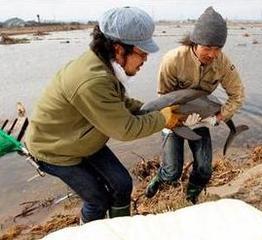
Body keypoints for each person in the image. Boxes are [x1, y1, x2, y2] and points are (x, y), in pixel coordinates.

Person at [25, 6, 184, 223]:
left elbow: (117, 103)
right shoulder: (93, 80)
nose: (145, 59)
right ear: (119, 49)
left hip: (82, 137)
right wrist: (163, 118)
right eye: (142, 53)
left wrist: (149, 109)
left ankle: (119, 230)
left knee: (122, 184)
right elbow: (125, 129)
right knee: (97, 200)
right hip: (55, 149)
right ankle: (90, 233)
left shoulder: (103, 64)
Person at [145, 6, 245, 204]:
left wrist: (217, 118)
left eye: (218, 48)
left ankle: (191, 195)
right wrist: (174, 122)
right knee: (173, 171)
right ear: (195, 42)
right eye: (207, 47)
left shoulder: (222, 62)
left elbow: (237, 95)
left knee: (205, 169)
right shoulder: (173, 60)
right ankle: (161, 177)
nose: (212, 54)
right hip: (172, 117)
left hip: (201, 118)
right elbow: (163, 99)